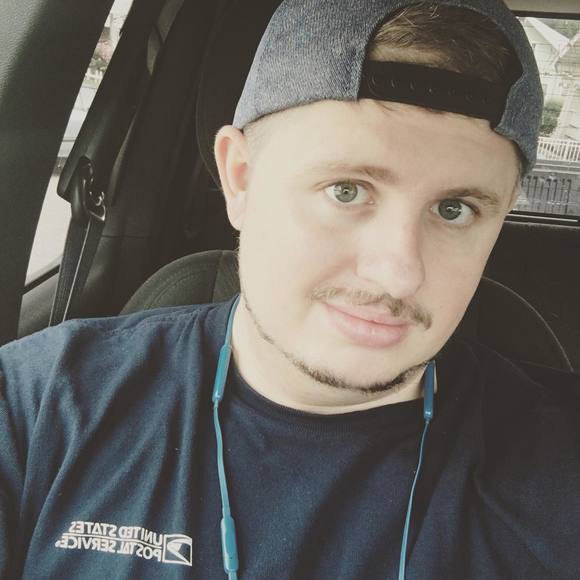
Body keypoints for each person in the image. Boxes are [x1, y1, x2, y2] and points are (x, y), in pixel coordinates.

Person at [1, 0, 579, 578]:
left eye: (454, 209)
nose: (398, 273)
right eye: (346, 191)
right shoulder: (39, 407)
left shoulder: (559, 465)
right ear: (240, 178)